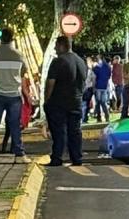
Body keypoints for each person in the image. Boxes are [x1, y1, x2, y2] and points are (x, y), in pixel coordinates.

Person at [0, 28, 30, 161]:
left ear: (1, 37)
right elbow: (23, 73)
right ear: (12, 38)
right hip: (14, 95)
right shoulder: (19, 55)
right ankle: (19, 155)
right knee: (15, 126)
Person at [44, 36, 87, 167]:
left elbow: (50, 83)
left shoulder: (58, 61)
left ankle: (57, 157)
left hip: (59, 102)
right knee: (75, 131)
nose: (55, 49)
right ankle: (76, 158)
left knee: (59, 131)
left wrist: (46, 100)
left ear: (62, 46)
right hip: (76, 101)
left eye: (56, 46)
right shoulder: (80, 61)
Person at [93, 56, 112, 122]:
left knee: (98, 102)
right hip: (105, 86)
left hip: (98, 86)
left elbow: (95, 75)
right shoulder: (108, 67)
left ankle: (99, 117)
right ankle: (107, 116)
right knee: (103, 102)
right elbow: (109, 76)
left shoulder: (97, 67)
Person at [81, 57, 95, 121]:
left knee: (83, 104)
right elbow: (94, 80)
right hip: (88, 89)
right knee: (85, 104)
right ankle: (84, 118)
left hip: (83, 89)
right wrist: (93, 89)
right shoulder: (90, 71)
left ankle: (84, 118)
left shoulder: (81, 70)